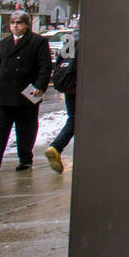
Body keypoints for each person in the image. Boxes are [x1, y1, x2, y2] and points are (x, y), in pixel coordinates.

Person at [0, 11, 52, 173]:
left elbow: (45, 66)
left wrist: (40, 86)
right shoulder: (4, 43)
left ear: (26, 24)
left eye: (19, 23)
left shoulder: (37, 42)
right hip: (4, 94)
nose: (15, 26)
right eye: (12, 23)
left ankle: (25, 159)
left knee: (26, 129)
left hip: (27, 94)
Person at [45, 27, 78, 174]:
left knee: (73, 119)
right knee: (80, 121)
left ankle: (56, 147)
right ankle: (57, 146)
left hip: (70, 86)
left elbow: (60, 62)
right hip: (85, 87)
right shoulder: (94, 38)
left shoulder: (71, 39)